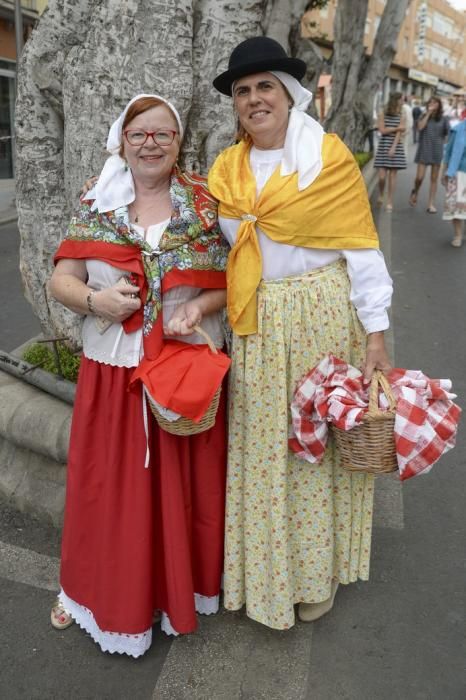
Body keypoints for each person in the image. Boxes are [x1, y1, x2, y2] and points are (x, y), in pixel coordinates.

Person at [171, 36, 393, 630]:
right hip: (257, 323)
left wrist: (376, 336)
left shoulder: (327, 158)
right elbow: (219, 254)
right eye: (242, 91)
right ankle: (267, 575)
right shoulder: (226, 170)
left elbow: (362, 250)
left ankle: (316, 573)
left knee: (312, 449)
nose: (253, 99)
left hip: (322, 318)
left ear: (289, 93)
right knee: (264, 452)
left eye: (264, 85)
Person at [48, 94, 230, 657]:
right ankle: (86, 593)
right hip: (113, 373)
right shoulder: (96, 201)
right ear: (121, 141)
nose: (150, 143)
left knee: (180, 492)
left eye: (162, 134)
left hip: (178, 372)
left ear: (179, 143)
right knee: (105, 491)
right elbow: (62, 278)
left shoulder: (203, 205)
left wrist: (197, 309)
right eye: (139, 134)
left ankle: (174, 592)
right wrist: (95, 301)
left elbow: (230, 280)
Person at [409, 96, 449, 213]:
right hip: (424, 149)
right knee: (419, 177)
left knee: (434, 179)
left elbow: (448, 133)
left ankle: (430, 204)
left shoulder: (444, 118)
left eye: (435, 102)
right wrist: (428, 114)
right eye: (430, 102)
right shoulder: (422, 115)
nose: (432, 104)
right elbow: (420, 128)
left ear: (439, 105)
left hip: (437, 150)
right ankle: (415, 191)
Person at [373, 92, 407, 212]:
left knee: (393, 176)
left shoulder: (402, 115)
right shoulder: (382, 114)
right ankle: (381, 194)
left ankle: (390, 201)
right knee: (382, 177)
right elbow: (382, 130)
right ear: (395, 100)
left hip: (395, 147)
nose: (403, 101)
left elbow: (399, 134)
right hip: (383, 146)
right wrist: (397, 128)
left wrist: (393, 147)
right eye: (402, 99)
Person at [441, 118, 466, 247]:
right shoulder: (458, 129)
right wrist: (444, 171)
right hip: (458, 173)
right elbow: (448, 153)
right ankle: (458, 235)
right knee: (456, 207)